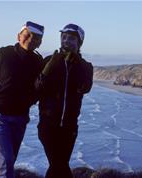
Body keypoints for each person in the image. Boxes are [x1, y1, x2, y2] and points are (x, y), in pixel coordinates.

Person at [0, 21, 44, 178]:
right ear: (19, 36)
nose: (31, 39)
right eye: (28, 34)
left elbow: (39, 92)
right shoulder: (3, 54)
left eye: (36, 38)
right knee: (6, 162)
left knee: (8, 162)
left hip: (21, 118)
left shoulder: (38, 62)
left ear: (40, 43)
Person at [35, 23, 93, 178]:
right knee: (58, 164)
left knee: (59, 165)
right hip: (47, 125)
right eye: (64, 37)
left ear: (79, 42)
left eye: (71, 38)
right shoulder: (48, 60)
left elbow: (85, 87)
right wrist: (51, 65)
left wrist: (77, 62)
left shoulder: (86, 66)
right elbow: (37, 89)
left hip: (69, 127)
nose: (66, 41)